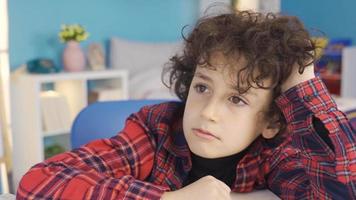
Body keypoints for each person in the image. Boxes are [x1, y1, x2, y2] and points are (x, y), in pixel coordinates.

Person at [17, 9, 355, 200]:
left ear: (270, 122)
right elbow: (39, 183)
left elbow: (343, 189)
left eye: (237, 98)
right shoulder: (155, 130)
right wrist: (166, 199)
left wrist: (305, 87)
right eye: (203, 87)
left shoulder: (277, 153)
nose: (208, 112)